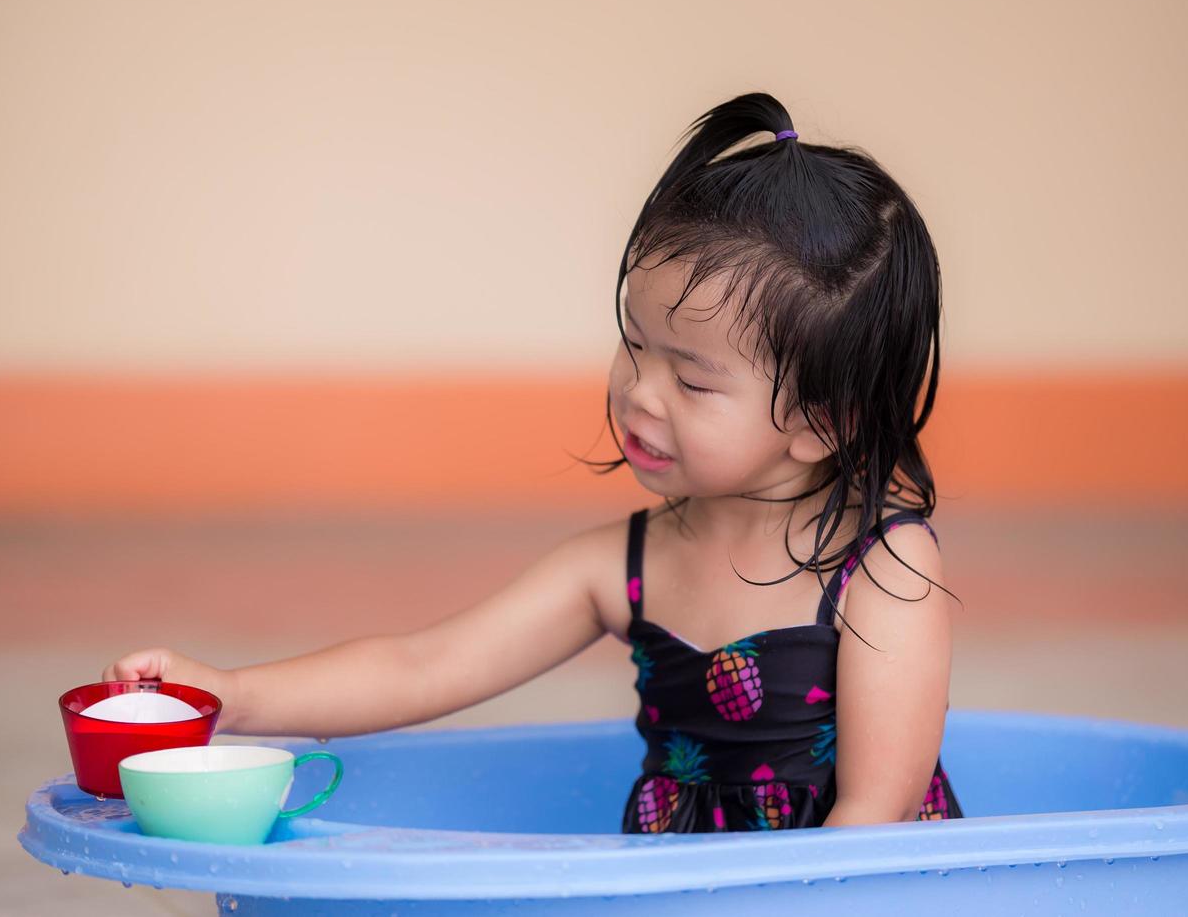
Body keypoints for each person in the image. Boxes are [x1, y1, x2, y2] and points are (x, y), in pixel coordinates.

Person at [102, 91, 964, 833]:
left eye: (692, 380)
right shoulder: (622, 565)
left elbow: (872, 820)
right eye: (634, 345)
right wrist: (225, 696)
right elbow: (422, 666)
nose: (639, 393)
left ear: (819, 424)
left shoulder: (883, 573)